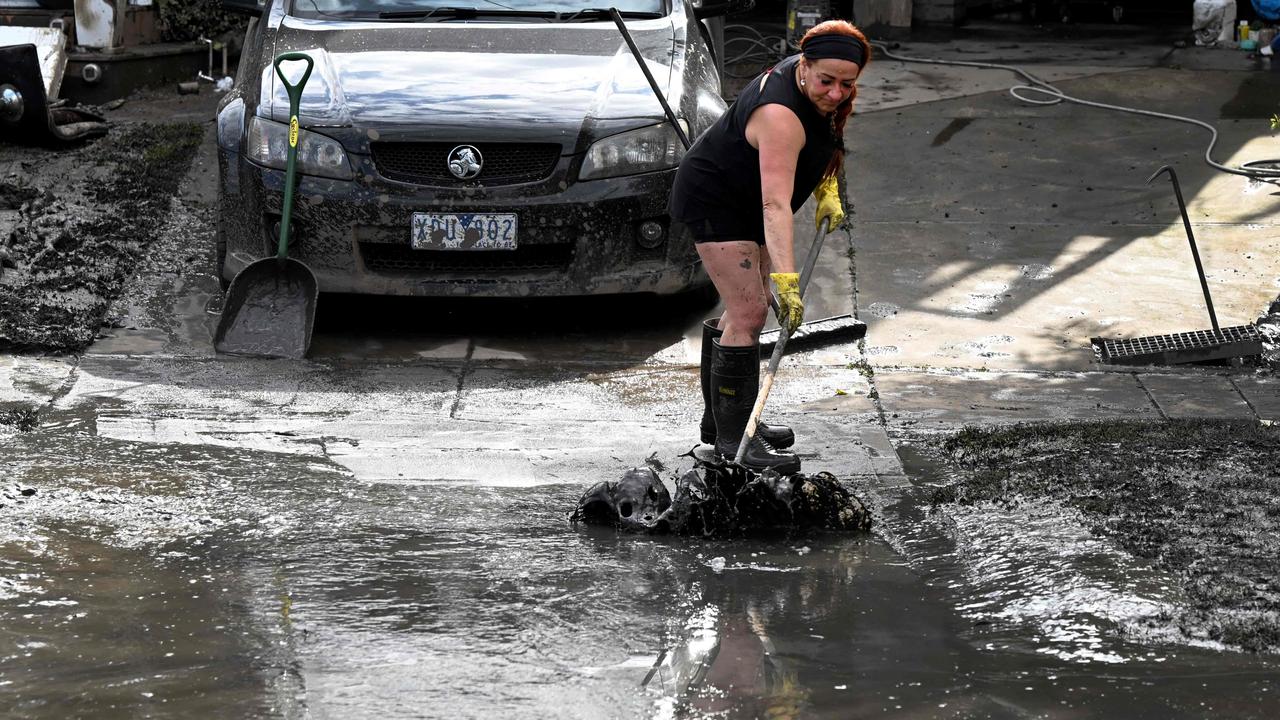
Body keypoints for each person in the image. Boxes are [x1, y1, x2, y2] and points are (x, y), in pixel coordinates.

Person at [670, 20, 870, 473]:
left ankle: (724, 421)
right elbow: (775, 205)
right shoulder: (779, 114)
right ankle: (731, 444)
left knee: (742, 310)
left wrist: (826, 188)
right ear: (804, 65)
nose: (836, 93)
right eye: (827, 81)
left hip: (742, 196)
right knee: (750, 313)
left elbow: (825, 135)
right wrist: (787, 281)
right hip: (718, 199)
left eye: (847, 84)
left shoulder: (814, 85)